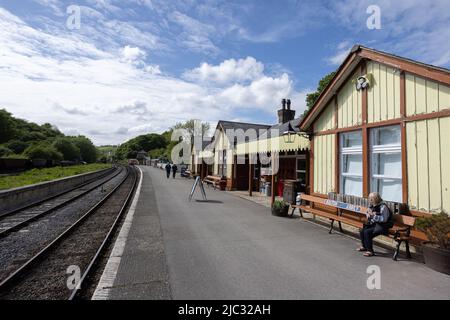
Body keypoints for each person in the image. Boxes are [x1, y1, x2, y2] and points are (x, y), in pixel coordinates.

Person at [357, 192, 394, 257]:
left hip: (382, 226)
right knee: (362, 230)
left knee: (367, 232)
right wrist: (368, 214)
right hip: (374, 225)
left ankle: (370, 251)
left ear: (376, 199)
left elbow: (384, 219)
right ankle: (364, 246)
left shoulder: (383, 207)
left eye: (371, 198)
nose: (370, 200)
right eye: (369, 198)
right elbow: (368, 213)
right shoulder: (372, 205)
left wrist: (373, 216)